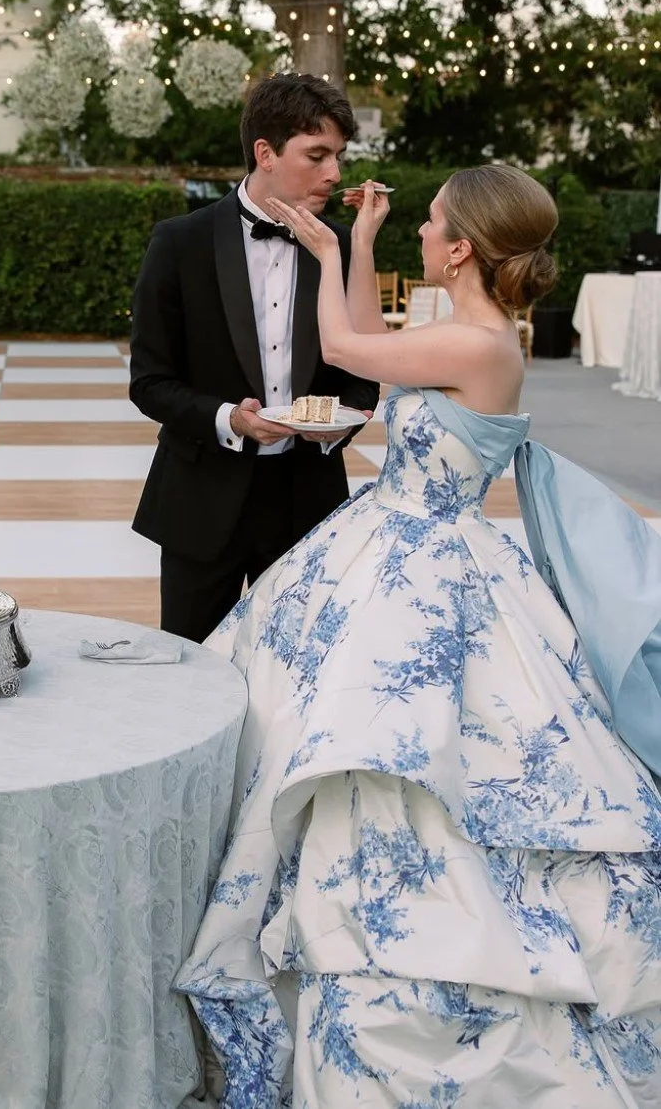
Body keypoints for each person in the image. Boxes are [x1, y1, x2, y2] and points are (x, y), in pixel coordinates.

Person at [174, 165, 661, 1106]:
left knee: (403, 740)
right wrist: (359, 242)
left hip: (430, 554)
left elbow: (344, 348)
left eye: (431, 224)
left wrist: (326, 251)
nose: (422, 234)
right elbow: (371, 349)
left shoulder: (480, 346)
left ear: (462, 247)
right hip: (387, 539)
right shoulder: (466, 332)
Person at [129, 74, 380, 644]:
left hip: (307, 501)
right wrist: (230, 419)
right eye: (317, 155)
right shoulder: (179, 243)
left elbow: (363, 376)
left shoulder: (342, 246)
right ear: (265, 153)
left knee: (296, 674)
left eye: (339, 156)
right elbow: (149, 382)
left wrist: (335, 426)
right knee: (193, 671)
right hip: (201, 500)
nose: (334, 173)